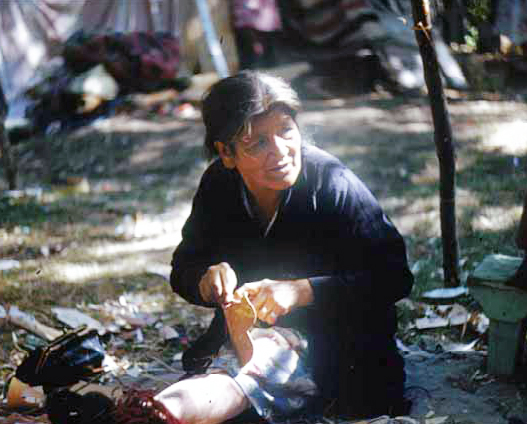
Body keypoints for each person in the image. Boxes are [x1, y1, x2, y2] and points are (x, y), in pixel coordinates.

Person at [152, 70, 414, 424]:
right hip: (252, 342)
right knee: (204, 400)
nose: (279, 152)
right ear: (226, 153)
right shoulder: (219, 185)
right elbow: (184, 267)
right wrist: (204, 280)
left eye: (286, 131)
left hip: (342, 341)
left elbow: (395, 277)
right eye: (256, 143)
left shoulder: (332, 184)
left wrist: (304, 291)